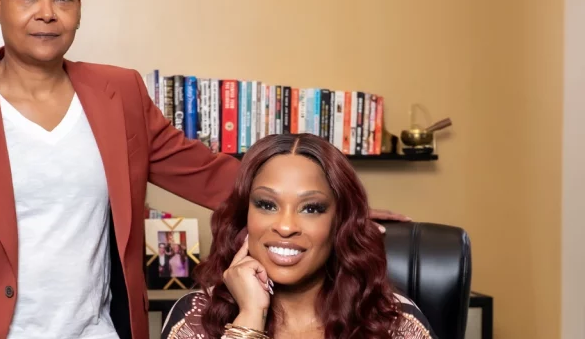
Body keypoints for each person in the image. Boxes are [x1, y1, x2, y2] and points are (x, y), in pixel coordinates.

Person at [0, 0, 408, 339]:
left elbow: (204, 172)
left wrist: (339, 205)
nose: (47, 12)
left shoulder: (119, 94)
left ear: (79, 8)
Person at [161, 134, 435, 339]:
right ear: (245, 216)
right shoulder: (196, 318)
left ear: (339, 223)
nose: (285, 226)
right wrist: (249, 319)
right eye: (267, 205)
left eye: (311, 208)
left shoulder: (394, 321)